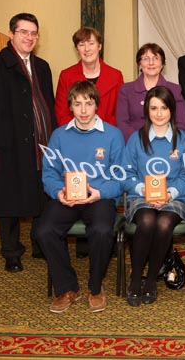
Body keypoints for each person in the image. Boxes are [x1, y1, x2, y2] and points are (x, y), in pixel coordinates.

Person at [0, 12, 57, 272]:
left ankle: (40, 244)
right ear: (11, 34)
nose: (29, 37)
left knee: (41, 195)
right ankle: (11, 252)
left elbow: (49, 105)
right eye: (24, 32)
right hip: (7, 144)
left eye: (34, 33)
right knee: (9, 199)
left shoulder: (42, 66)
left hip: (40, 143)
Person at [37, 80, 125, 313]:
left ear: (97, 105)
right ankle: (67, 287)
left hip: (99, 197)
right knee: (44, 230)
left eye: (88, 103)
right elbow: (49, 173)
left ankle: (95, 287)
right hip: (68, 198)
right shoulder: (59, 136)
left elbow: (121, 176)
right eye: (78, 104)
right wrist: (59, 192)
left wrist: (100, 193)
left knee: (102, 230)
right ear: (70, 107)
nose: (84, 110)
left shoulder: (113, 135)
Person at [122, 86, 185, 307]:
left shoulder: (182, 140)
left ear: (172, 109)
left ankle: (151, 279)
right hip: (141, 196)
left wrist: (170, 193)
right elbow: (125, 174)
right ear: (147, 111)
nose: (159, 113)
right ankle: (135, 279)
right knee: (147, 219)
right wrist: (143, 190)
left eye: (163, 107)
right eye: (154, 108)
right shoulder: (136, 139)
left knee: (163, 223)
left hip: (175, 198)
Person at [117, 43, 185, 142]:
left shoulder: (174, 90)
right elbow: (122, 123)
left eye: (156, 58)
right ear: (139, 63)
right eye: (146, 58)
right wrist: (140, 141)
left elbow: (182, 124)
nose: (151, 63)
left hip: (167, 145)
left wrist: (163, 141)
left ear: (162, 63)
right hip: (136, 144)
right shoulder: (126, 90)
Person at [55, 27, 124, 126]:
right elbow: (61, 113)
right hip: (75, 136)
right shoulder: (66, 76)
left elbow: (119, 113)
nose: (87, 49)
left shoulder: (116, 76)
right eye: (81, 45)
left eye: (91, 43)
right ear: (77, 49)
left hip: (106, 135)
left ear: (99, 46)